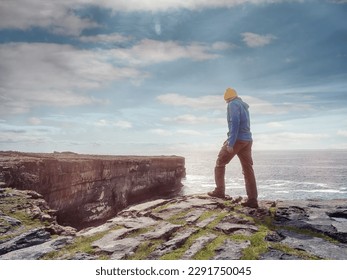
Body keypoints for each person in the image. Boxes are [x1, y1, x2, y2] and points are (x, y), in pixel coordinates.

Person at [208, 88, 258, 208]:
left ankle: (219, 191)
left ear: (227, 98)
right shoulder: (243, 106)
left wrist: (230, 143)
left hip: (237, 140)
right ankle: (252, 200)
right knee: (247, 169)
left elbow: (234, 122)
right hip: (247, 140)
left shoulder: (232, 104)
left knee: (220, 162)